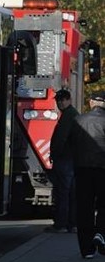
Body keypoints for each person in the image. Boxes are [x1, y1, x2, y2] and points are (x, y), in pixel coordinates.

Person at [69, 90, 105, 259]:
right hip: (103, 170)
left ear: (91, 103)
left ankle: (86, 248)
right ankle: (101, 234)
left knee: (84, 208)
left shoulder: (79, 120)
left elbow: (70, 145)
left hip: (82, 170)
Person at [45, 89, 78, 233]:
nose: (60, 102)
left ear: (69, 100)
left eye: (62, 99)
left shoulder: (68, 116)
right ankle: (71, 223)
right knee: (70, 193)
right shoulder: (71, 114)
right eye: (58, 100)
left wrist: (55, 154)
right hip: (70, 159)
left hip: (65, 159)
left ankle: (61, 224)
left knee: (63, 192)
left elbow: (61, 138)